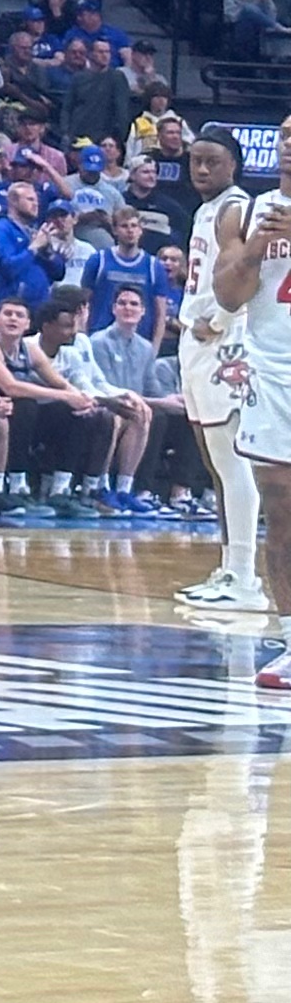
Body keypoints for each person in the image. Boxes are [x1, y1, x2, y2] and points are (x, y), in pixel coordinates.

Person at [204, 178, 291, 690]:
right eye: (284, 137)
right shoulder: (247, 212)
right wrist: (255, 250)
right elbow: (229, 295)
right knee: (280, 505)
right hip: (273, 375)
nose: (288, 146)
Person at [177, 129, 268, 616]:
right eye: (196, 161)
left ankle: (245, 575)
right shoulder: (205, 209)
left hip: (224, 344)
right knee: (216, 464)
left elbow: (247, 275)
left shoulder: (237, 207)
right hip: (197, 343)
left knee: (233, 463)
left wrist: (217, 319)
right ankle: (230, 566)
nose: (202, 170)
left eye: (212, 161)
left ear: (234, 164)